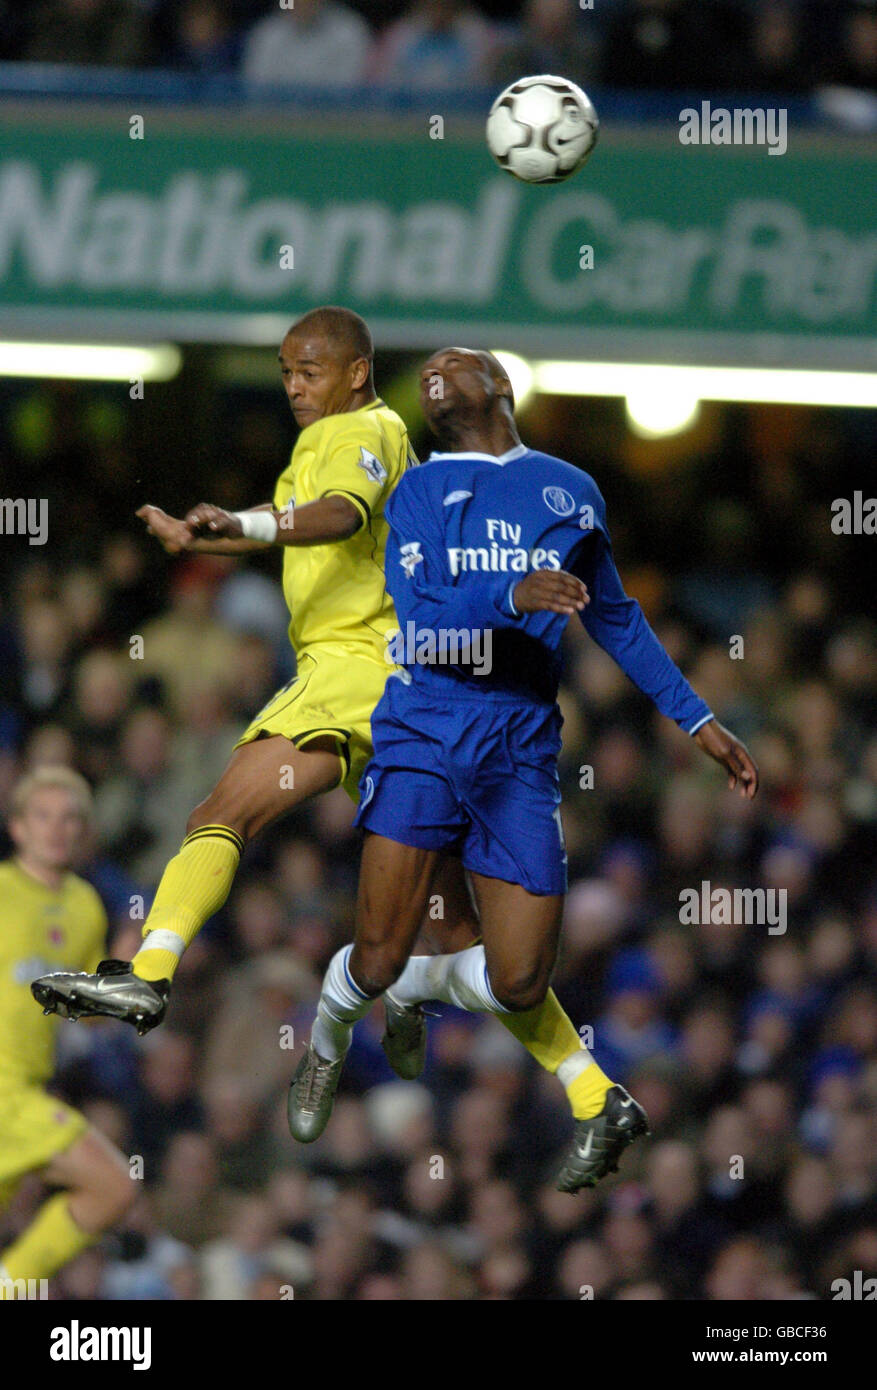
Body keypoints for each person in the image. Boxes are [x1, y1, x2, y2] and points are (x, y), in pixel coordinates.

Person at [32, 310, 600, 1156]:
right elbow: (310, 517)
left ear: (357, 373)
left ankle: (148, 975)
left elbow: (337, 513)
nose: (294, 386)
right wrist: (220, 532)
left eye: (310, 371)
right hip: (419, 695)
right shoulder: (344, 440)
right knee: (453, 928)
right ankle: (587, 1087)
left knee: (220, 814)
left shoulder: (361, 431)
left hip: (354, 674)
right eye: (286, 372)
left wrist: (246, 525)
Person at [289, 346, 759, 1192]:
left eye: (453, 362)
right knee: (376, 956)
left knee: (517, 979)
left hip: (519, 745)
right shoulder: (418, 491)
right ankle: (326, 1038)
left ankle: (416, 989)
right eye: (425, 371)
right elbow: (420, 627)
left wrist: (695, 718)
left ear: (499, 385)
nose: (433, 371)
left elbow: (615, 617)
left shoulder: (569, 490)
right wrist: (511, 596)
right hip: (426, 728)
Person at [0, 767, 136, 1298]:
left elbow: (88, 1012)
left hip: (27, 1091)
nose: (57, 829)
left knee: (113, 1189)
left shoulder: (84, 906)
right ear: (18, 827)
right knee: (114, 1185)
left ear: (83, 830)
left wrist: (121, 973)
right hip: (7, 1093)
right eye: (43, 816)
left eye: (70, 818)